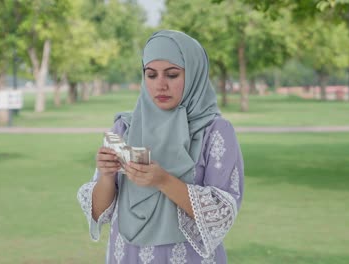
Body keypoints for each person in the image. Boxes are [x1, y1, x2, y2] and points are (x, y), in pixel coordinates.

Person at [77, 30, 244, 264]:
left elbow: (220, 213)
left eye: (172, 74)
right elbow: (100, 212)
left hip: (188, 256)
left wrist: (163, 181)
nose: (160, 85)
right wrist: (106, 176)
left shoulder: (214, 131)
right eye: (151, 75)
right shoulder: (125, 128)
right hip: (126, 253)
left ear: (194, 73)